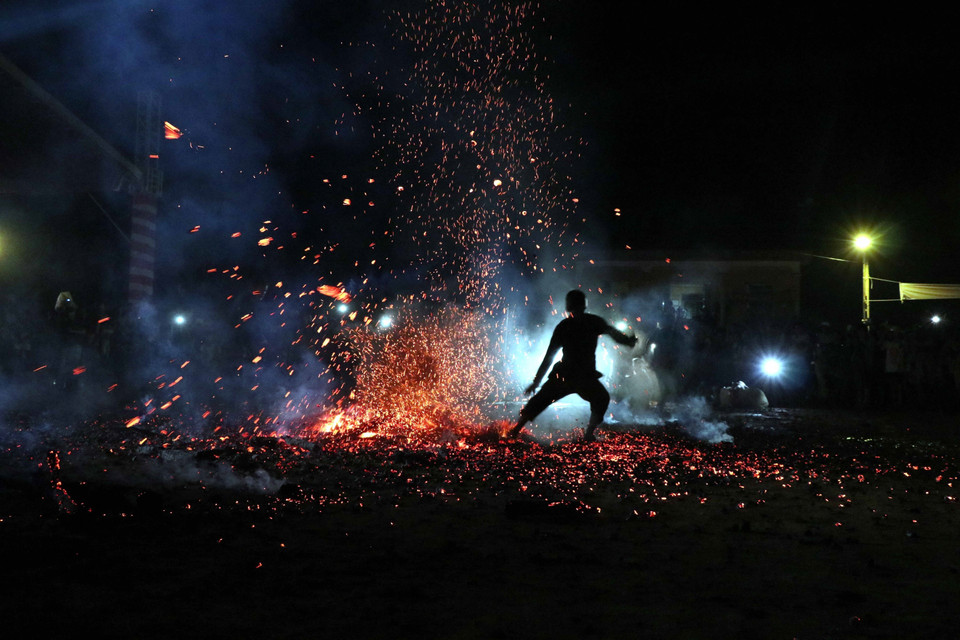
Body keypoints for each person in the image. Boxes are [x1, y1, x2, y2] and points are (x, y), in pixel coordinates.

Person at [510, 289, 638, 442]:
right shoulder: (590, 322)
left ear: (568, 306)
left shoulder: (567, 325)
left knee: (541, 400)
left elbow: (549, 357)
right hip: (578, 376)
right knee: (601, 398)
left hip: (569, 375)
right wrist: (628, 341)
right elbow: (614, 334)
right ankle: (589, 433)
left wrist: (536, 382)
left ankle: (515, 430)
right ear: (584, 305)